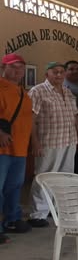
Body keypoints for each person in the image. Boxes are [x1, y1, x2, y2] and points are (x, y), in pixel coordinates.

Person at [28, 62, 78, 228]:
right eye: (55, 72)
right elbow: (31, 119)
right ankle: (38, 214)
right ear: (47, 74)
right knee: (44, 176)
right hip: (49, 142)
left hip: (69, 140)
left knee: (64, 177)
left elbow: (75, 117)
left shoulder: (67, 92)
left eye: (61, 72)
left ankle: (56, 208)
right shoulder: (37, 91)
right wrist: (35, 142)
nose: (59, 75)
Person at [0, 53, 33, 243]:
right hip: (2, 149)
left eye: (21, 67)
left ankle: (12, 219)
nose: (17, 70)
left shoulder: (23, 93)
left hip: (19, 148)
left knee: (14, 186)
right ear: (3, 68)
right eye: (13, 66)